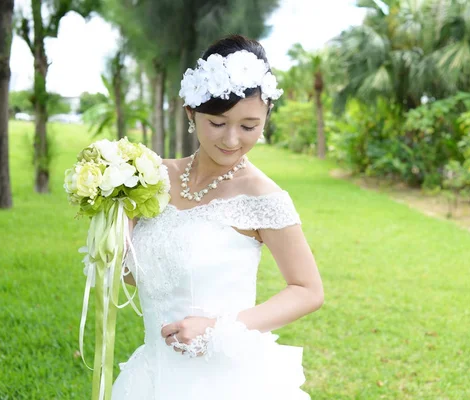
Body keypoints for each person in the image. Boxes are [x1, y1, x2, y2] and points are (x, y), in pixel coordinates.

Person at [111, 34, 324, 399]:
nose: (231, 140)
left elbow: (308, 291)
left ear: (266, 117)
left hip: (225, 379)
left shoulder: (263, 197)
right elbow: (135, 276)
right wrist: (113, 227)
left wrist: (216, 328)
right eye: (218, 122)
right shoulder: (151, 177)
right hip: (153, 375)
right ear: (191, 112)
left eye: (248, 126)